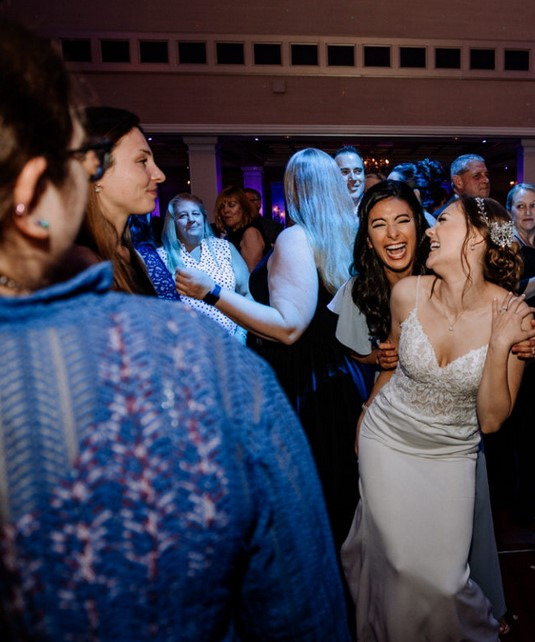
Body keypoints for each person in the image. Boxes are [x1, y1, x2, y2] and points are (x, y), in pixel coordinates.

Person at [0, 18, 347, 639]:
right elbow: (298, 596)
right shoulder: (190, 358)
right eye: (144, 160)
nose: (162, 177)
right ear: (44, 187)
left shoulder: (151, 263)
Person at [341, 196, 535, 641]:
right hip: (386, 440)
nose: (429, 230)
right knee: (400, 563)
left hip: (451, 453)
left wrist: (502, 342)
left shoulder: (515, 317)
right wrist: (369, 405)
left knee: (446, 580)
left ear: (477, 237)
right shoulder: (406, 293)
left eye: (442, 222)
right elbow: (391, 363)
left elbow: (490, 421)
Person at [176, 148, 364, 549]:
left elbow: (289, 327)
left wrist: (211, 292)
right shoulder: (344, 235)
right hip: (335, 380)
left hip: (304, 386)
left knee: (304, 514)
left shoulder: (297, 237)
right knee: (336, 510)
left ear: (294, 188)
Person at [485, 183, 535, 520]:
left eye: (534, 206)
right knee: (520, 427)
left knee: (531, 428)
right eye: (520, 206)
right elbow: (512, 292)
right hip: (516, 346)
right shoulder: (506, 246)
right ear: (510, 212)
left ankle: (524, 500)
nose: (528, 212)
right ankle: (513, 503)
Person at [74, 106, 177, 300]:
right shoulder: (78, 266)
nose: (159, 175)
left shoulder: (125, 252)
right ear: (95, 171)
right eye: (142, 161)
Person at [156, 192, 252, 341]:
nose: (191, 219)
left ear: (203, 218)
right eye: (182, 216)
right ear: (173, 223)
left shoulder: (225, 249)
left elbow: (247, 293)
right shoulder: (162, 257)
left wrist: (241, 334)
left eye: (195, 213)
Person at [212, 185, 268, 271]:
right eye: (222, 207)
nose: (225, 210)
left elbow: (251, 275)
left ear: (243, 207)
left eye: (231, 205)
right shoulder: (231, 232)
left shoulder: (250, 233)